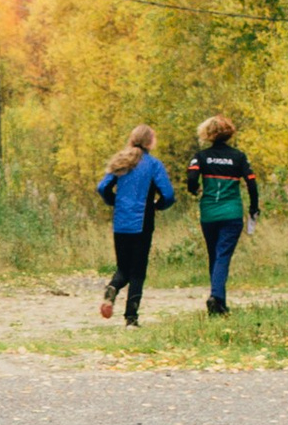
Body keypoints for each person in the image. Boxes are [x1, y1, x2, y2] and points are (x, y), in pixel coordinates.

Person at [95, 124, 175, 325]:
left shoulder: (121, 161)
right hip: (142, 222)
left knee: (123, 268)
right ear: (150, 141)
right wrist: (158, 205)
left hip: (121, 222)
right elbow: (168, 194)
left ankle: (113, 287)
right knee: (138, 271)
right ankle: (131, 318)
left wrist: (114, 201)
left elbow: (102, 187)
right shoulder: (154, 165)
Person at [186, 112, 259, 316]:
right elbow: (251, 183)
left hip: (209, 213)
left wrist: (195, 190)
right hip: (231, 213)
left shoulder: (200, 156)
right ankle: (217, 297)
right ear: (229, 133)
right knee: (223, 256)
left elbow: (191, 178)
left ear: (207, 134)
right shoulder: (239, 156)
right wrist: (254, 207)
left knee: (214, 255)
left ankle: (220, 304)